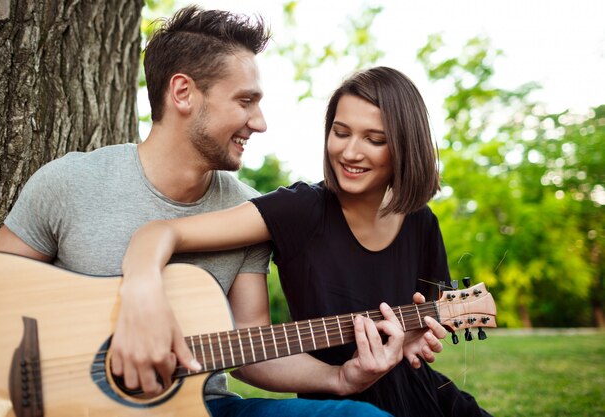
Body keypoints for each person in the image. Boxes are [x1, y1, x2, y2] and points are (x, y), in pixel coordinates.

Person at [0, 5, 445, 417]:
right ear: (183, 93)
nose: (260, 123)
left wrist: (339, 380)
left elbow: (251, 345)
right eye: (246, 101)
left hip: (206, 405)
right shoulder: (72, 183)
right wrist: (140, 299)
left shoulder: (247, 210)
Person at [120, 66, 493, 417]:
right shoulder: (300, 209)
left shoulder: (422, 222)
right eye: (341, 132)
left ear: (404, 147)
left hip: (423, 396)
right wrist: (142, 294)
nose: (349, 152)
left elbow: (422, 325)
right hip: (336, 406)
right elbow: (162, 232)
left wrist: (413, 339)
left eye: (374, 139)